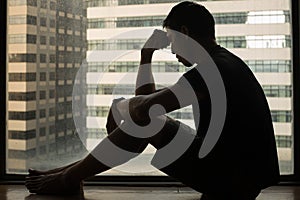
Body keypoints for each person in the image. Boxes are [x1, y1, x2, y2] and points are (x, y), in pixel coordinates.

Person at [25, 1, 279, 199]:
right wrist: (146, 56)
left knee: (146, 121)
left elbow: (144, 108)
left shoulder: (213, 70)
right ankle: (70, 173)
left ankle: (69, 178)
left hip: (232, 184)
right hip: (240, 178)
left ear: (184, 32)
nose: (171, 50)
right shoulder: (223, 62)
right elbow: (146, 107)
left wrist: (118, 107)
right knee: (148, 120)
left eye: (171, 40)